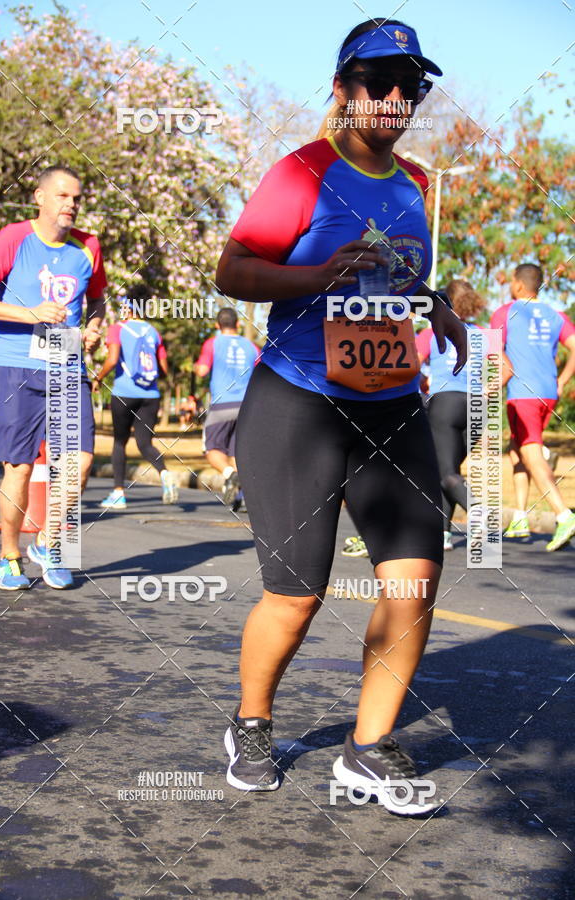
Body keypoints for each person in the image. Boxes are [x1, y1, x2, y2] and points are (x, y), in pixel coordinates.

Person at [215, 20, 467, 813]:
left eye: (411, 86)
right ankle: (251, 722)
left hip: (393, 403)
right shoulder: (301, 172)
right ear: (343, 88)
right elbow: (234, 271)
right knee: (297, 593)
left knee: (415, 582)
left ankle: (367, 748)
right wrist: (317, 273)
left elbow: (395, 271)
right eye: (378, 81)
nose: (396, 98)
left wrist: (434, 306)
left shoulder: (417, 183)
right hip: (299, 400)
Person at [0, 165, 105, 590]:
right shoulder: (14, 238)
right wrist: (28, 314)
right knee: (19, 468)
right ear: (40, 197)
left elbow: (98, 300)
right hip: (14, 366)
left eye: (77, 199)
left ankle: (50, 542)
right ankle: (10, 557)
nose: (72, 205)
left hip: (66, 364)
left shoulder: (88, 247)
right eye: (64, 196)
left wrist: (94, 326)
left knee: (79, 463)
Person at [491, 264, 575, 551]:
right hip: (547, 391)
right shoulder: (557, 315)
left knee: (530, 452)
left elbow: (493, 351)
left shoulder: (505, 312)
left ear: (517, 285)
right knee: (517, 448)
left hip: (522, 393)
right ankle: (520, 517)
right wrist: (563, 380)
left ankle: (564, 516)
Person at [417, 280, 486, 550]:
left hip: (445, 403)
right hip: (476, 406)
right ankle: (443, 534)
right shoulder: (481, 333)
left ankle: (479, 513)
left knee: (445, 473)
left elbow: (412, 361)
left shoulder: (433, 331)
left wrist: (423, 383)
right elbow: (504, 369)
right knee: (449, 469)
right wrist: (488, 388)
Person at [93, 297, 178, 508]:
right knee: (145, 443)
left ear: (127, 309)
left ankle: (118, 494)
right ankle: (165, 474)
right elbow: (164, 368)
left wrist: (98, 378)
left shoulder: (117, 328)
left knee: (120, 442)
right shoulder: (153, 332)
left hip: (125, 392)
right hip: (151, 395)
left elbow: (112, 360)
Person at [194, 307, 259, 508]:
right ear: (238, 325)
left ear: (217, 325)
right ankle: (243, 497)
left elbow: (203, 371)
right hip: (247, 405)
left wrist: (197, 367)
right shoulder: (251, 346)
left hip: (222, 404)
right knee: (235, 452)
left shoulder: (213, 343)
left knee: (212, 448)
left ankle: (230, 475)